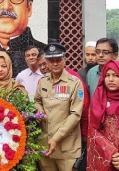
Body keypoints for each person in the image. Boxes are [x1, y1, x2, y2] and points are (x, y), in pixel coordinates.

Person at [35, 43, 84, 171]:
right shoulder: (43, 81)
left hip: (67, 147)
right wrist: (38, 108)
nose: (55, 63)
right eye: (51, 61)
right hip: (44, 144)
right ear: (47, 62)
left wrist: (56, 138)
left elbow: (76, 114)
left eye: (58, 60)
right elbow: (37, 100)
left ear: (64, 59)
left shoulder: (75, 83)